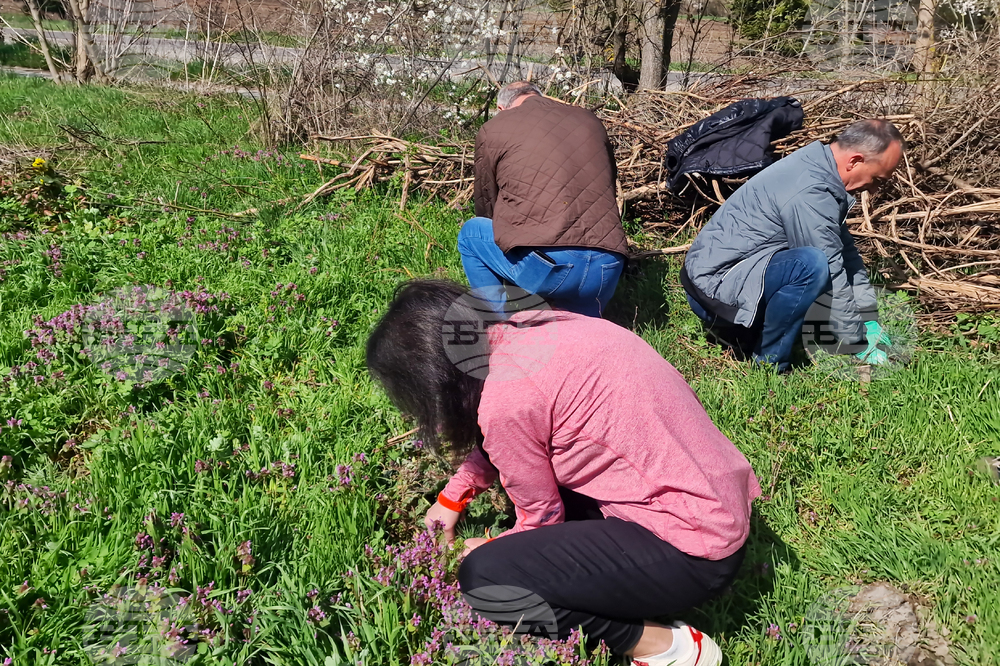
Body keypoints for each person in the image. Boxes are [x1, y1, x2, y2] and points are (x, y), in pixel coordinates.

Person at [366, 280, 761, 666]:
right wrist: (454, 495)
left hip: (694, 551)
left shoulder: (507, 401)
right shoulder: (541, 327)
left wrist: (485, 549)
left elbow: (541, 519)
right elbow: (518, 426)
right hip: (717, 500)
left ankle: (663, 646)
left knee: (487, 580)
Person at [680, 119, 905, 372]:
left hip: (720, 276)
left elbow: (846, 254)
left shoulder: (819, 167)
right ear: (854, 161)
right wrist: (857, 339)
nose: (874, 189)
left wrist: (867, 317)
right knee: (811, 266)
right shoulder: (811, 191)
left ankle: (750, 333)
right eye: (877, 179)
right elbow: (831, 267)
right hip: (713, 292)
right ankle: (769, 363)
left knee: (813, 262)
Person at [458, 81, 628, 317]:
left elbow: (487, 203)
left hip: (550, 268)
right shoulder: (590, 120)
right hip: (607, 267)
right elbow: (608, 181)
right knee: (577, 341)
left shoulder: (496, 127)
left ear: (501, 106)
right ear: (540, 96)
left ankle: (497, 329)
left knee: (471, 234)